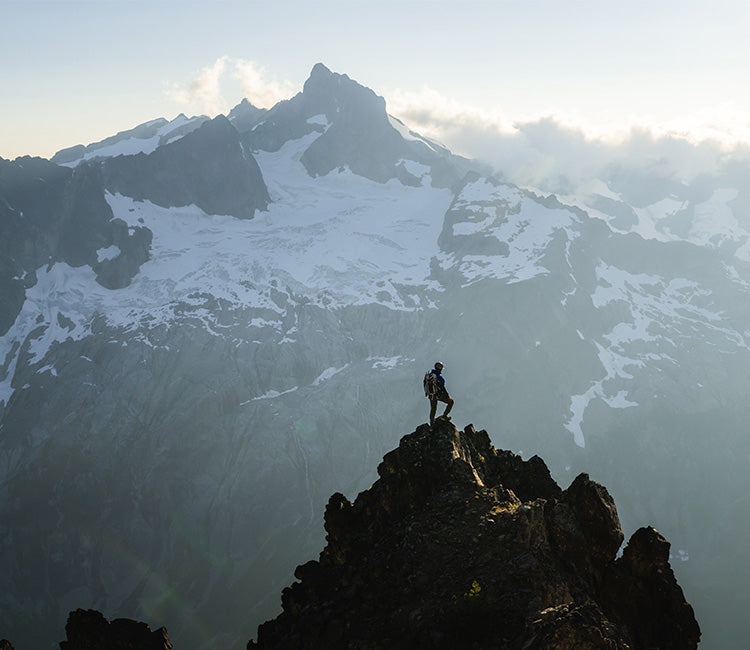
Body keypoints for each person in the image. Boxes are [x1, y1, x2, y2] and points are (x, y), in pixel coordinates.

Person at [427, 361, 454, 426]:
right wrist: (447, 396)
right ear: (441, 369)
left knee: (433, 409)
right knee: (451, 402)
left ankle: (432, 424)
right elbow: (442, 388)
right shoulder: (440, 378)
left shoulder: (429, 375)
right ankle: (444, 416)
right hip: (438, 395)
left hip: (431, 395)